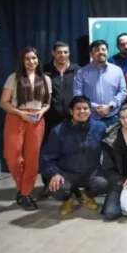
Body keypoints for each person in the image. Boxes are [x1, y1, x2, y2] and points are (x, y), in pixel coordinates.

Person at [0, 47, 52, 210]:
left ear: (38, 60)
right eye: (27, 59)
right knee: (12, 158)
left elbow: (47, 103)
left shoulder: (45, 79)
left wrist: (41, 112)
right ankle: (22, 188)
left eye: (34, 58)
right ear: (22, 61)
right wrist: (20, 113)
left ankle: (25, 194)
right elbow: (3, 103)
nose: (31, 61)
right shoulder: (14, 77)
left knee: (32, 159)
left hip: (36, 120)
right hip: (16, 117)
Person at [40, 96, 109, 215]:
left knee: (104, 183)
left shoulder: (100, 128)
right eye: (78, 108)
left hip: (91, 173)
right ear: (71, 111)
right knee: (56, 188)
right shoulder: (58, 131)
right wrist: (54, 174)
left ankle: (87, 195)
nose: (82, 111)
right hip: (67, 173)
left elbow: (111, 149)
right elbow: (47, 157)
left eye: (85, 108)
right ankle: (68, 198)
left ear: (90, 111)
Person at [41, 41, 80, 198]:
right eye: (59, 52)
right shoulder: (45, 70)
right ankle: (47, 184)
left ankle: (74, 186)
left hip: (72, 120)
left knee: (72, 153)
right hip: (50, 119)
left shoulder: (77, 70)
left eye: (65, 52)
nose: (63, 55)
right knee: (48, 153)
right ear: (53, 53)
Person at [73, 40, 127, 127]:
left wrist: (110, 106)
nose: (101, 52)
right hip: (91, 119)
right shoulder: (82, 72)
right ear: (91, 54)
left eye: (103, 49)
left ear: (107, 52)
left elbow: (123, 92)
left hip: (114, 118)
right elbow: (78, 95)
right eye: (97, 50)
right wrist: (96, 107)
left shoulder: (117, 70)